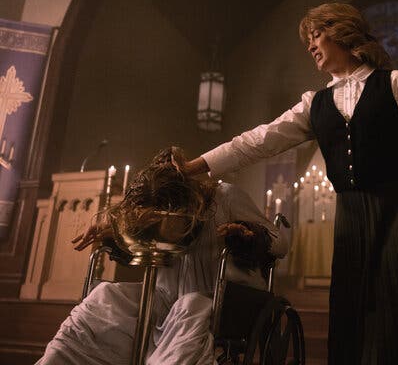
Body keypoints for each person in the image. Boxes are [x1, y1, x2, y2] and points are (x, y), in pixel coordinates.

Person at [184, 3, 398, 364]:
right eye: (307, 40)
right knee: (355, 312)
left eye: (316, 35)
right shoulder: (315, 104)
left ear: (341, 31)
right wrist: (196, 167)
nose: (310, 45)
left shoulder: (396, 83)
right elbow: (256, 141)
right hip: (353, 218)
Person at [36, 147, 287, 365]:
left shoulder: (227, 196)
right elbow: (147, 249)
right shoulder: (160, 203)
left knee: (188, 306)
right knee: (104, 296)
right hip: (166, 296)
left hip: (218, 296)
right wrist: (114, 235)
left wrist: (247, 235)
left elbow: (281, 244)